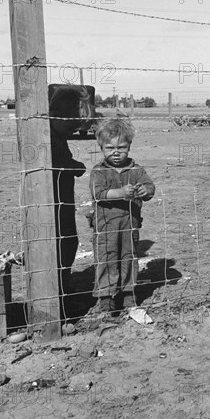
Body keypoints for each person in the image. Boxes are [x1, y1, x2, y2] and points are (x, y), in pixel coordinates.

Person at [90, 117, 155, 313]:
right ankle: (106, 297)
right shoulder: (99, 171)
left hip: (130, 225)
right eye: (110, 148)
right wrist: (120, 193)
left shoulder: (136, 170)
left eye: (122, 147)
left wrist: (145, 191)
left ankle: (129, 293)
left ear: (130, 146)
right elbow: (97, 194)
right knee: (106, 259)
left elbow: (150, 187)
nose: (116, 152)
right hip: (106, 227)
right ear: (101, 147)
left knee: (129, 257)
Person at [49, 85, 93, 298]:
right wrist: (75, 167)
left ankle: (63, 284)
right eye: (71, 126)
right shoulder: (48, 140)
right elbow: (56, 166)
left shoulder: (57, 137)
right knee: (62, 244)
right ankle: (59, 289)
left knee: (68, 242)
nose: (73, 132)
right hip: (54, 205)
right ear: (55, 116)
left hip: (63, 203)